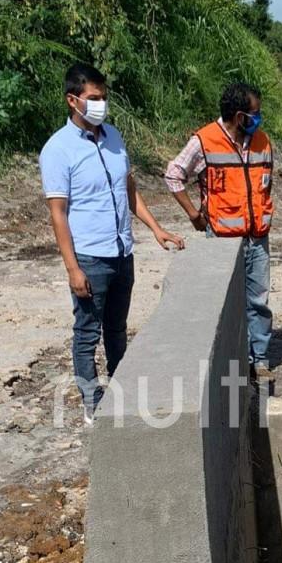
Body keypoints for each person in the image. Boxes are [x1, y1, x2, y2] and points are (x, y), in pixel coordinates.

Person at [39, 62, 184, 425]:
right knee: (87, 333)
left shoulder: (114, 138)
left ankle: (122, 391)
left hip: (122, 252)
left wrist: (155, 228)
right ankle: (92, 401)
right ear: (73, 101)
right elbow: (58, 213)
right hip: (90, 257)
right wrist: (73, 268)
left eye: (103, 97)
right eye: (93, 98)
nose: (100, 104)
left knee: (117, 329)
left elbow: (128, 190)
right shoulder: (58, 150)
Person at [165, 83, 274, 380]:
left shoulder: (262, 141)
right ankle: (230, 361)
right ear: (240, 116)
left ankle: (259, 359)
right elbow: (174, 175)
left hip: (257, 237)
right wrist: (193, 215)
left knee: (258, 300)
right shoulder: (204, 141)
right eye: (255, 113)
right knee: (226, 304)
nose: (259, 118)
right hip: (223, 242)